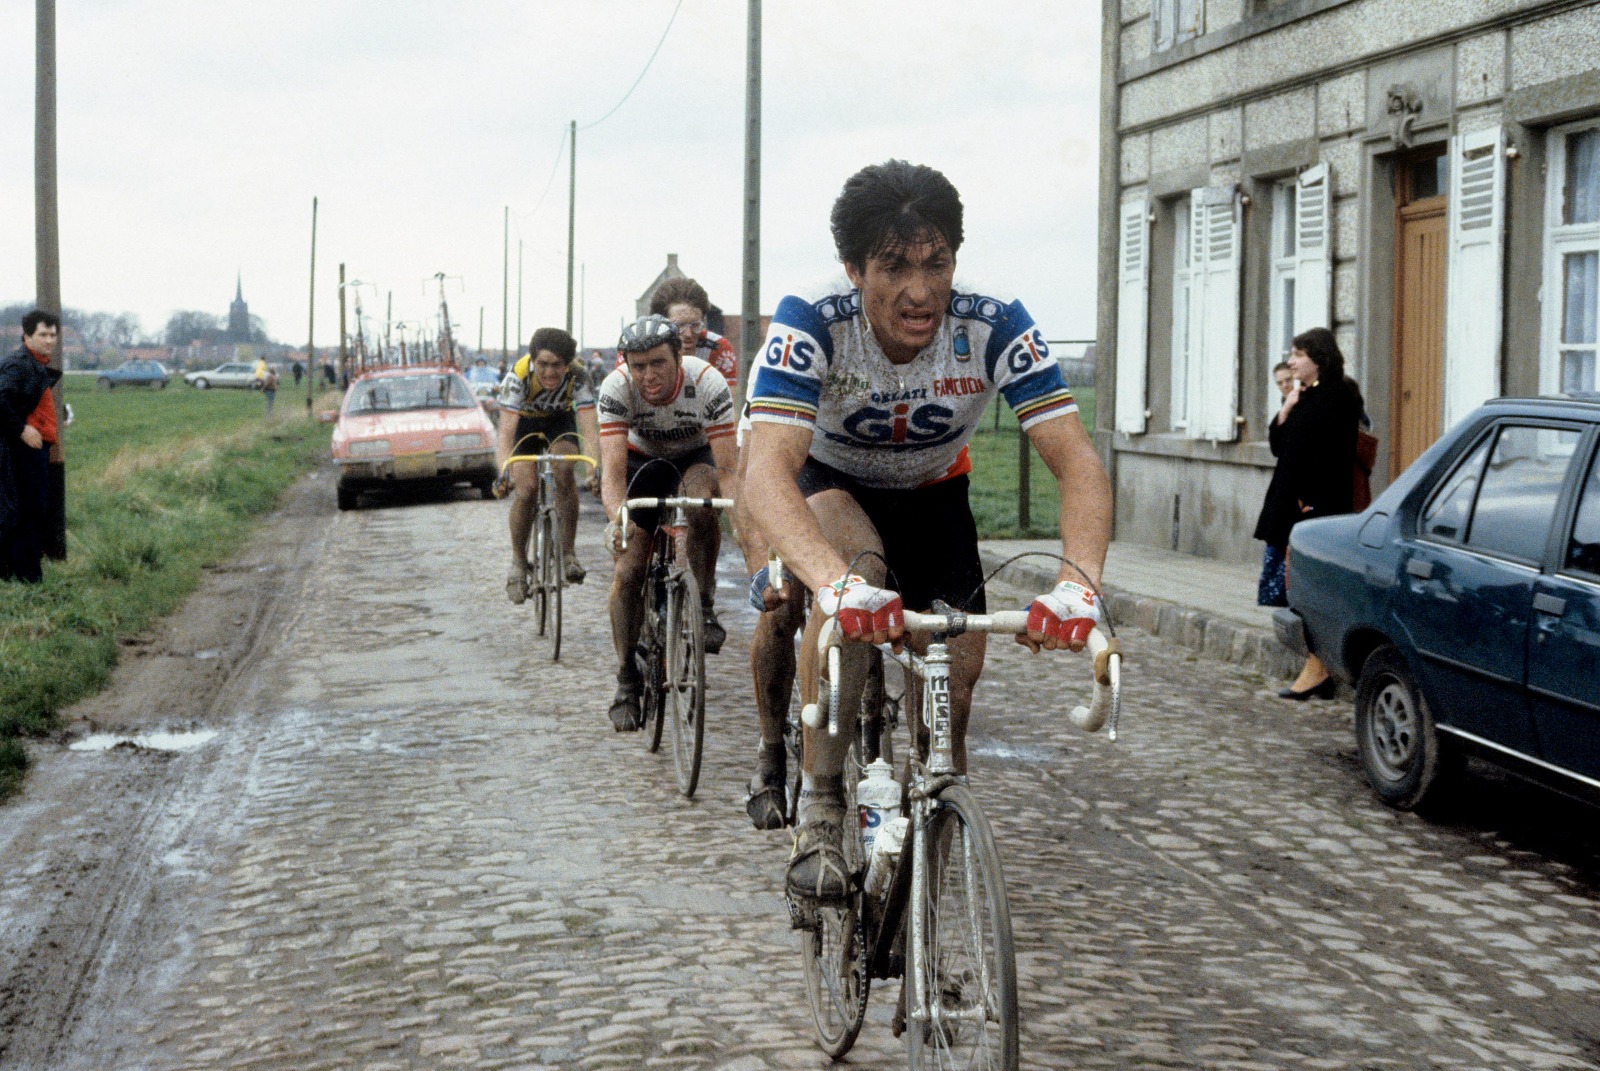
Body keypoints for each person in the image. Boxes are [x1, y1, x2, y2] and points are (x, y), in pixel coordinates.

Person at [742, 160, 1112, 903]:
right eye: (894, 267)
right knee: (856, 576)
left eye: (936, 263)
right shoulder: (813, 318)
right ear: (853, 269)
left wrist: (1079, 583)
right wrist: (833, 584)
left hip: (936, 493)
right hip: (830, 484)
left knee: (957, 681)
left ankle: (931, 833)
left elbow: (1077, 463)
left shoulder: (994, 321)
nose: (920, 291)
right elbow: (763, 475)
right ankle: (820, 804)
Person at [599, 314, 737, 731]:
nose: (649, 375)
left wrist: (747, 524)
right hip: (644, 461)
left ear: (680, 355)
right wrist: (618, 521)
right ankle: (626, 676)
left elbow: (730, 470)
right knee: (628, 571)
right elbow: (612, 474)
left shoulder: (707, 382)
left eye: (658, 363)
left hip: (697, 457)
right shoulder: (616, 389)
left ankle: (706, 602)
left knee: (702, 502)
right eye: (638, 366)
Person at [1252, 327, 1363, 700]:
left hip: (1316, 507)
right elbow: (1280, 447)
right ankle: (1317, 666)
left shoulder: (1339, 396)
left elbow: (1335, 453)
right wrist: (1285, 410)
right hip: (1292, 505)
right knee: (1292, 589)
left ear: (1319, 358)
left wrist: (1311, 499)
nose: (1292, 361)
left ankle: (1318, 667)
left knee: (1309, 587)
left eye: (1298, 354)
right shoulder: (1304, 396)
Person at [495, 327, 600, 601]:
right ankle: (519, 563)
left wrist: (593, 470)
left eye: (557, 366)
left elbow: (589, 430)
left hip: (558, 422)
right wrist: (503, 472)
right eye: (542, 364)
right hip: (524, 425)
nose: (550, 372)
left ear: (568, 365)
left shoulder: (579, 378)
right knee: (527, 490)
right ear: (532, 361)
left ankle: (568, 554)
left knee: (565, 470)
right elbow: (505, 433)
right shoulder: (518, 377)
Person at [0, 311, 63, 583]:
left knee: (33, 510)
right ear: (26, 336)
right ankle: (26, 578)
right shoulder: (19, 364)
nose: (49, 340)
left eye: (52, 335)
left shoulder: (35, 364)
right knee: (25, 511)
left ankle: (21, 574)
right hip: (19, 450)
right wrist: (22, 429)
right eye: (43, 335)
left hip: (34, 449)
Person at [648, 277, 740, 395]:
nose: (688, 334)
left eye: (696, 325)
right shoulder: (636, 349)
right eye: (678, 326)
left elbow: (728, 406)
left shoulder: (718, 348)